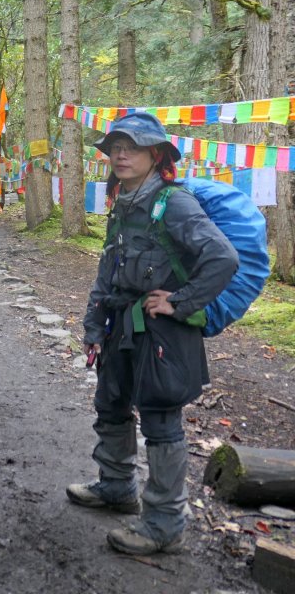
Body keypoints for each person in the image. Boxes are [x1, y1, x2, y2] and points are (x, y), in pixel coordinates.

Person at [67, 111, 239, 555]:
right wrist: (93, 325)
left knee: (161, 419)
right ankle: (117, 486)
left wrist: (179, 303)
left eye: (133, 147)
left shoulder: (173, 203)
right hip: (121, 326)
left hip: (164, 332)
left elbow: (223, 258)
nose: (120, 155)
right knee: (111, 404)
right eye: (114, 148)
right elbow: (108, 270)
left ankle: (164, 523)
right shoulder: (121, 202)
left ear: (155, 154)